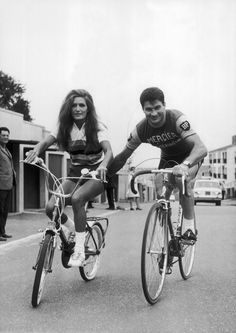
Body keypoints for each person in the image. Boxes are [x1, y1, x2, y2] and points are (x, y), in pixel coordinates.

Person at [26, 89, 113, 266]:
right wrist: (36, 150)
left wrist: (103, 165)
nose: (78, 108)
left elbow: (109, 151)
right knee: (51, 208)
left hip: (96, 174)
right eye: (74, 105)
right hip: (74, 175)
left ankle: (80, 251)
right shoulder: (64, 127)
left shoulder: (96, 126)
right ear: (68, 108)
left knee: (77, 199)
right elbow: (45, 142)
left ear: (89, 108)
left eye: (82, 105)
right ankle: (74, 229)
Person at [108, 87, 207, 240]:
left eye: (157, 108)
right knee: (161, 193)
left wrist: (185, 165)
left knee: (182, 180)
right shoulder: (140, 130)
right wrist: (105, 174)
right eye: (148, 109)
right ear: (143, 110)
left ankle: (189, 226)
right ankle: (166, 238)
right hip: (167, 159)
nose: (154, 113)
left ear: (164, 105)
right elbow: (122, 157)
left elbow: (201, 148)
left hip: (189, 157)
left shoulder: (177, 119)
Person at [0, 127, 15, 241]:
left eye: (7, 135)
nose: (6, 137)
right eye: (3, 135)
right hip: (1, 185)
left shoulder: (6, 149)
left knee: (5, 210)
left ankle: (2, 232)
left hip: (8, 185)